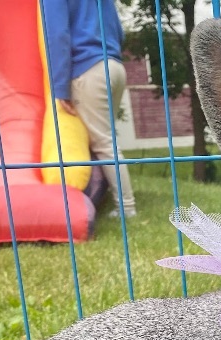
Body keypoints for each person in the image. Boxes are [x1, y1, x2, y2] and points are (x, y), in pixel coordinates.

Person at [43, 0, 137, 219]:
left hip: (88, 69)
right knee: (107, 140)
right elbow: (119, 31)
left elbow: (57, 35)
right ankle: (107, 196)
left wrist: (60, 87)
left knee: (104, 143)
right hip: (114, 66)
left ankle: (127, 208)